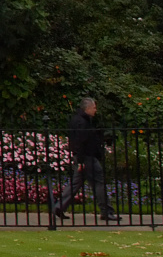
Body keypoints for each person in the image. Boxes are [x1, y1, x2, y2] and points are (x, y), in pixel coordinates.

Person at [49, 96, 120, 228]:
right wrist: (81, 160)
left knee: (76, 183)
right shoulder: (83, 122)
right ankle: (106, 211)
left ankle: (59, 207)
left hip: (82, 157)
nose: (95, 110)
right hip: (87, 157)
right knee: (99, 182)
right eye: (94, 107)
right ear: (87, 108)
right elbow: (81, 142)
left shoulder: (78, 120)